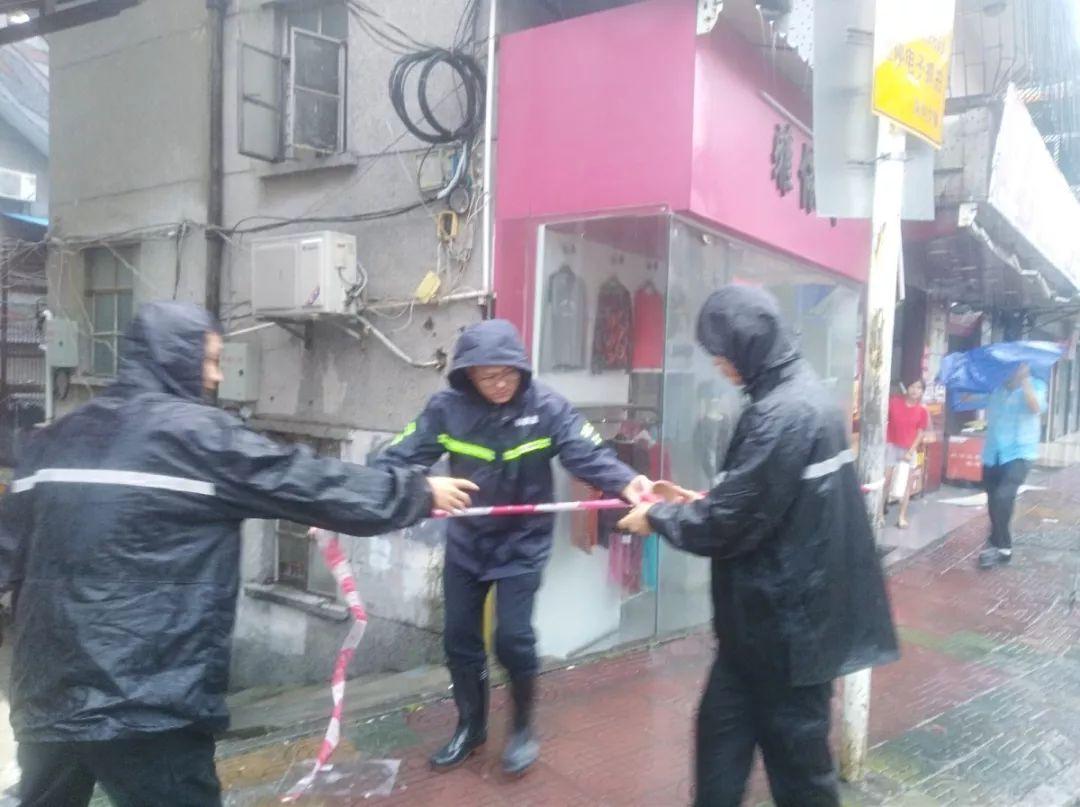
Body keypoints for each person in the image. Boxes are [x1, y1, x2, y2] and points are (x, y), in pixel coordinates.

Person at [0, 301, 477, 807]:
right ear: (174, 357)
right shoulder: (198, 436)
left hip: (46, 695)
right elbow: (307, 481)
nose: (218, 375)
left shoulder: (55, 439)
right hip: (146, 700)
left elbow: (8, 551)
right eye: (210, 360)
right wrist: (416, 493)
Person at [617, 286, 898, 807]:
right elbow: (768, 502)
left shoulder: (780, 415)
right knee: (720, 752)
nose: (719, 365)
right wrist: (696, 500)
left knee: (801, 778)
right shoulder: (805, 395)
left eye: (722, 354)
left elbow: (729, 523)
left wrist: (655, 516)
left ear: (748, 345)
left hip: (787, 638)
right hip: (758, 634)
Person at [375, 319, 650, 776]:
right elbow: (392, 459)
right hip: (467, 541)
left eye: (509, 373)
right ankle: (471, 726)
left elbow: (589, 453)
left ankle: (522, 727)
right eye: (489, 376)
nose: (501, 384)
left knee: (513, 639)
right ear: (468, 375)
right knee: (459, 639)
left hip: (523, 542)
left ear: (522, 369)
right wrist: (411, 487)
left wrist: (628, 482)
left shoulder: (547, 407)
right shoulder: (445, 410)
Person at [978, 363, 1046, 569]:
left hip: (1020, 453)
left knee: (1003, 496)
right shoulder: (996, 389)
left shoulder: (1036, 385)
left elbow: (1036, 408)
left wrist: (1024, 381)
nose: (1008, 372)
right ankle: (995, 538)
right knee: (993, 499)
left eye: (1013, 368)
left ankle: (1003, 547)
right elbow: (969, 400)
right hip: (993, 453)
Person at [884, 377, 929, 529]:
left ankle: (901, 517)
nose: (915, 390)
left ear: (922, 392)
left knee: (907, 485)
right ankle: (879, 513)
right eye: (912, 386)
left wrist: (911, 451)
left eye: (919, 388)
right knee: (886, 480)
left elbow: (920, 433)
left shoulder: (922, 411)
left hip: (909, 450)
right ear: (907, 388)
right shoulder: (894, 402)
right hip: (891, 445)